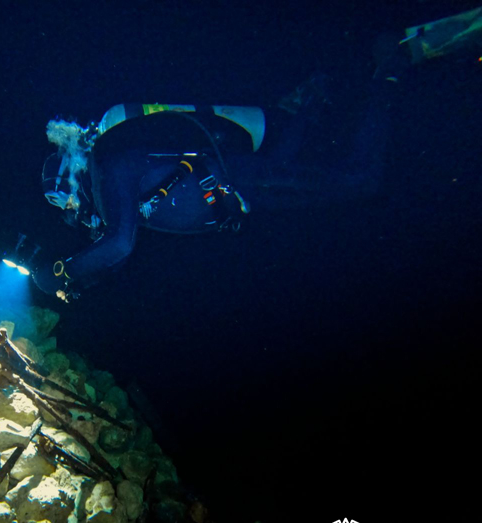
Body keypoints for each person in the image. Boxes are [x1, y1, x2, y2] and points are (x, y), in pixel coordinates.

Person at [29, 7, 482, 302]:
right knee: (326, 173)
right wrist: (78, 278)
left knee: (361, 181)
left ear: (72, 171)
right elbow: (118, 252)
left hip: (237, 181)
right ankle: (305, 104)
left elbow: (121, 243)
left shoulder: (110, 164)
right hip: (242, 195)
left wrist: (64, 270)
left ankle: (389, 69)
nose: (67, 208)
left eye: (60, 197)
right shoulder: (110, 196)